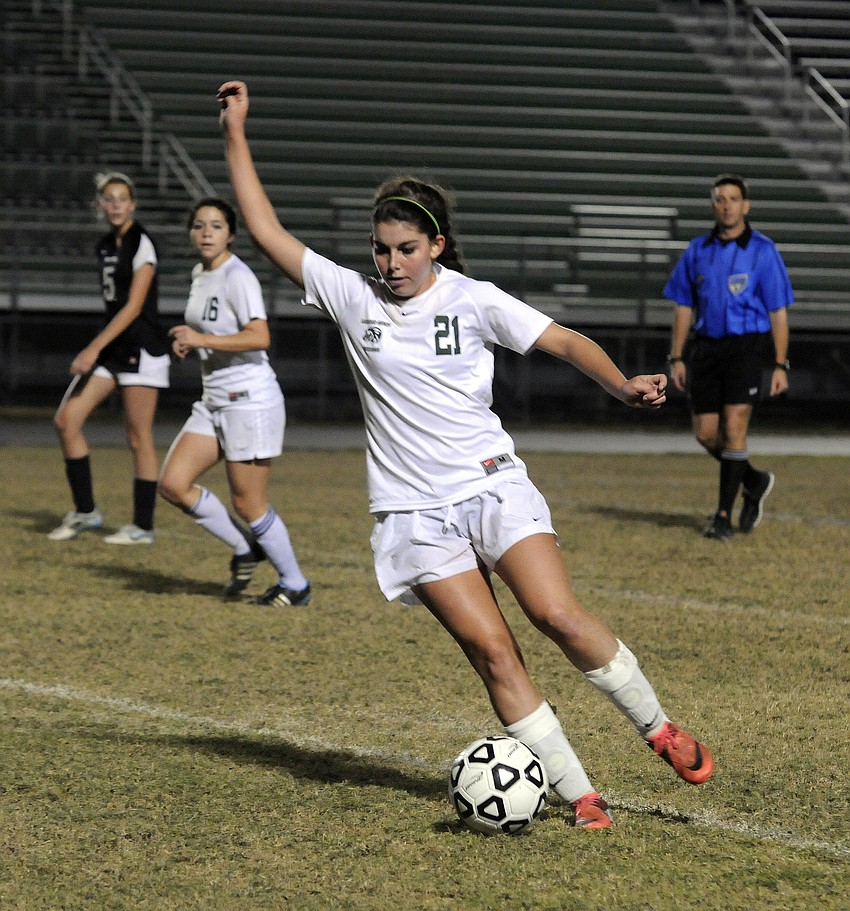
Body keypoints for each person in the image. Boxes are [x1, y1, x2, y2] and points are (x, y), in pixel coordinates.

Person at [218, 80, 714, 829]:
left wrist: (620, 385)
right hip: (413, 512)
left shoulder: (474, 298)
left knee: (555, 614)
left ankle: (659, 728)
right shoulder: (352, 297)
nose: (391, 263)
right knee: (493, 652)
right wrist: (235, 133)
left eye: (407, 249)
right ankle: (580, 795)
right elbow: (263, 229)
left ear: (437, 246)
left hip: (488, 484)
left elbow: (563, 340)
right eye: (381, 249)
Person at [157, 197, 310, 606]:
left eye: (216, 226)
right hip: (214, 399)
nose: (206, 233)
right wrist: (190, 338)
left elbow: (260, 336)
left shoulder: (238, 276)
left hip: (249, 400)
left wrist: (201, 338)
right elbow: (209, 328)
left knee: (248, 501)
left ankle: (295, 584)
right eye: (199, 225)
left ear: (231, 235)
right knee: (173, 484)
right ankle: (245, 549)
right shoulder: (200, 273)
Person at [664, 173, 792, 541]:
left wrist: (780, 364)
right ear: (713, 205)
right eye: (720, 199)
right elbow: (683, 306)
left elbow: (778, 312)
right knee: (706, 434)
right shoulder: (698, 249)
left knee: (735, 428)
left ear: (745, 206)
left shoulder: (763, 250)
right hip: (705, 349)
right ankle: (754, 480)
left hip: (745, 348)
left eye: (734, 199)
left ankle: (723, 516)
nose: (727, 206)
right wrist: (677, 357)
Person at [50, 171, 170, 544]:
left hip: (142, 349)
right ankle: (86, 512)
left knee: (138, 437)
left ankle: (143, 528)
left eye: (122, 198)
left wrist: (93, 347)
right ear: (101, 205)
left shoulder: (142, 243)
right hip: (115, 349)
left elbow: (134, 306)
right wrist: (102, 348)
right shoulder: (105, 245)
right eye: (109, 199)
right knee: (67, 421)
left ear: (132, 204)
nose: (115, 204)